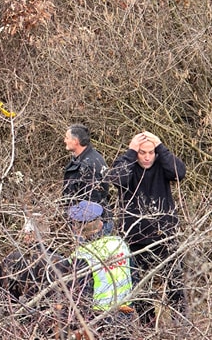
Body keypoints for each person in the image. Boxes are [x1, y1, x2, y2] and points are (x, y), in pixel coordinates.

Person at [107, 131, 187, 324]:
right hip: (135, 240)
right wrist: (130, 151)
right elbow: (117, 179)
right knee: (140, 288)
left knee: (175, 284)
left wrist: (161, 147)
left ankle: (181, 324)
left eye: (151, 152)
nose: (147, 157)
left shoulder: (162, 165)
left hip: (165, 236)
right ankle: (147, 325)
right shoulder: (128, 166)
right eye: (142, 152)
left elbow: (179, 172)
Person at [66, 200, 135, 339]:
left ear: (77, 230)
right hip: (126, 313)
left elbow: (80, 295)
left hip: (98, 319)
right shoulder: (119, 243)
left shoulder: (81, 256)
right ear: (101, 224)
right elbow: (135, 276)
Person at [63, 124, 109, 206]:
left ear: (75, 141)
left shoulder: (89, 166)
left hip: (87, 216)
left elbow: (92, 204)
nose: (64, 141)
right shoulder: (82, 158)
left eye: (67, 138)